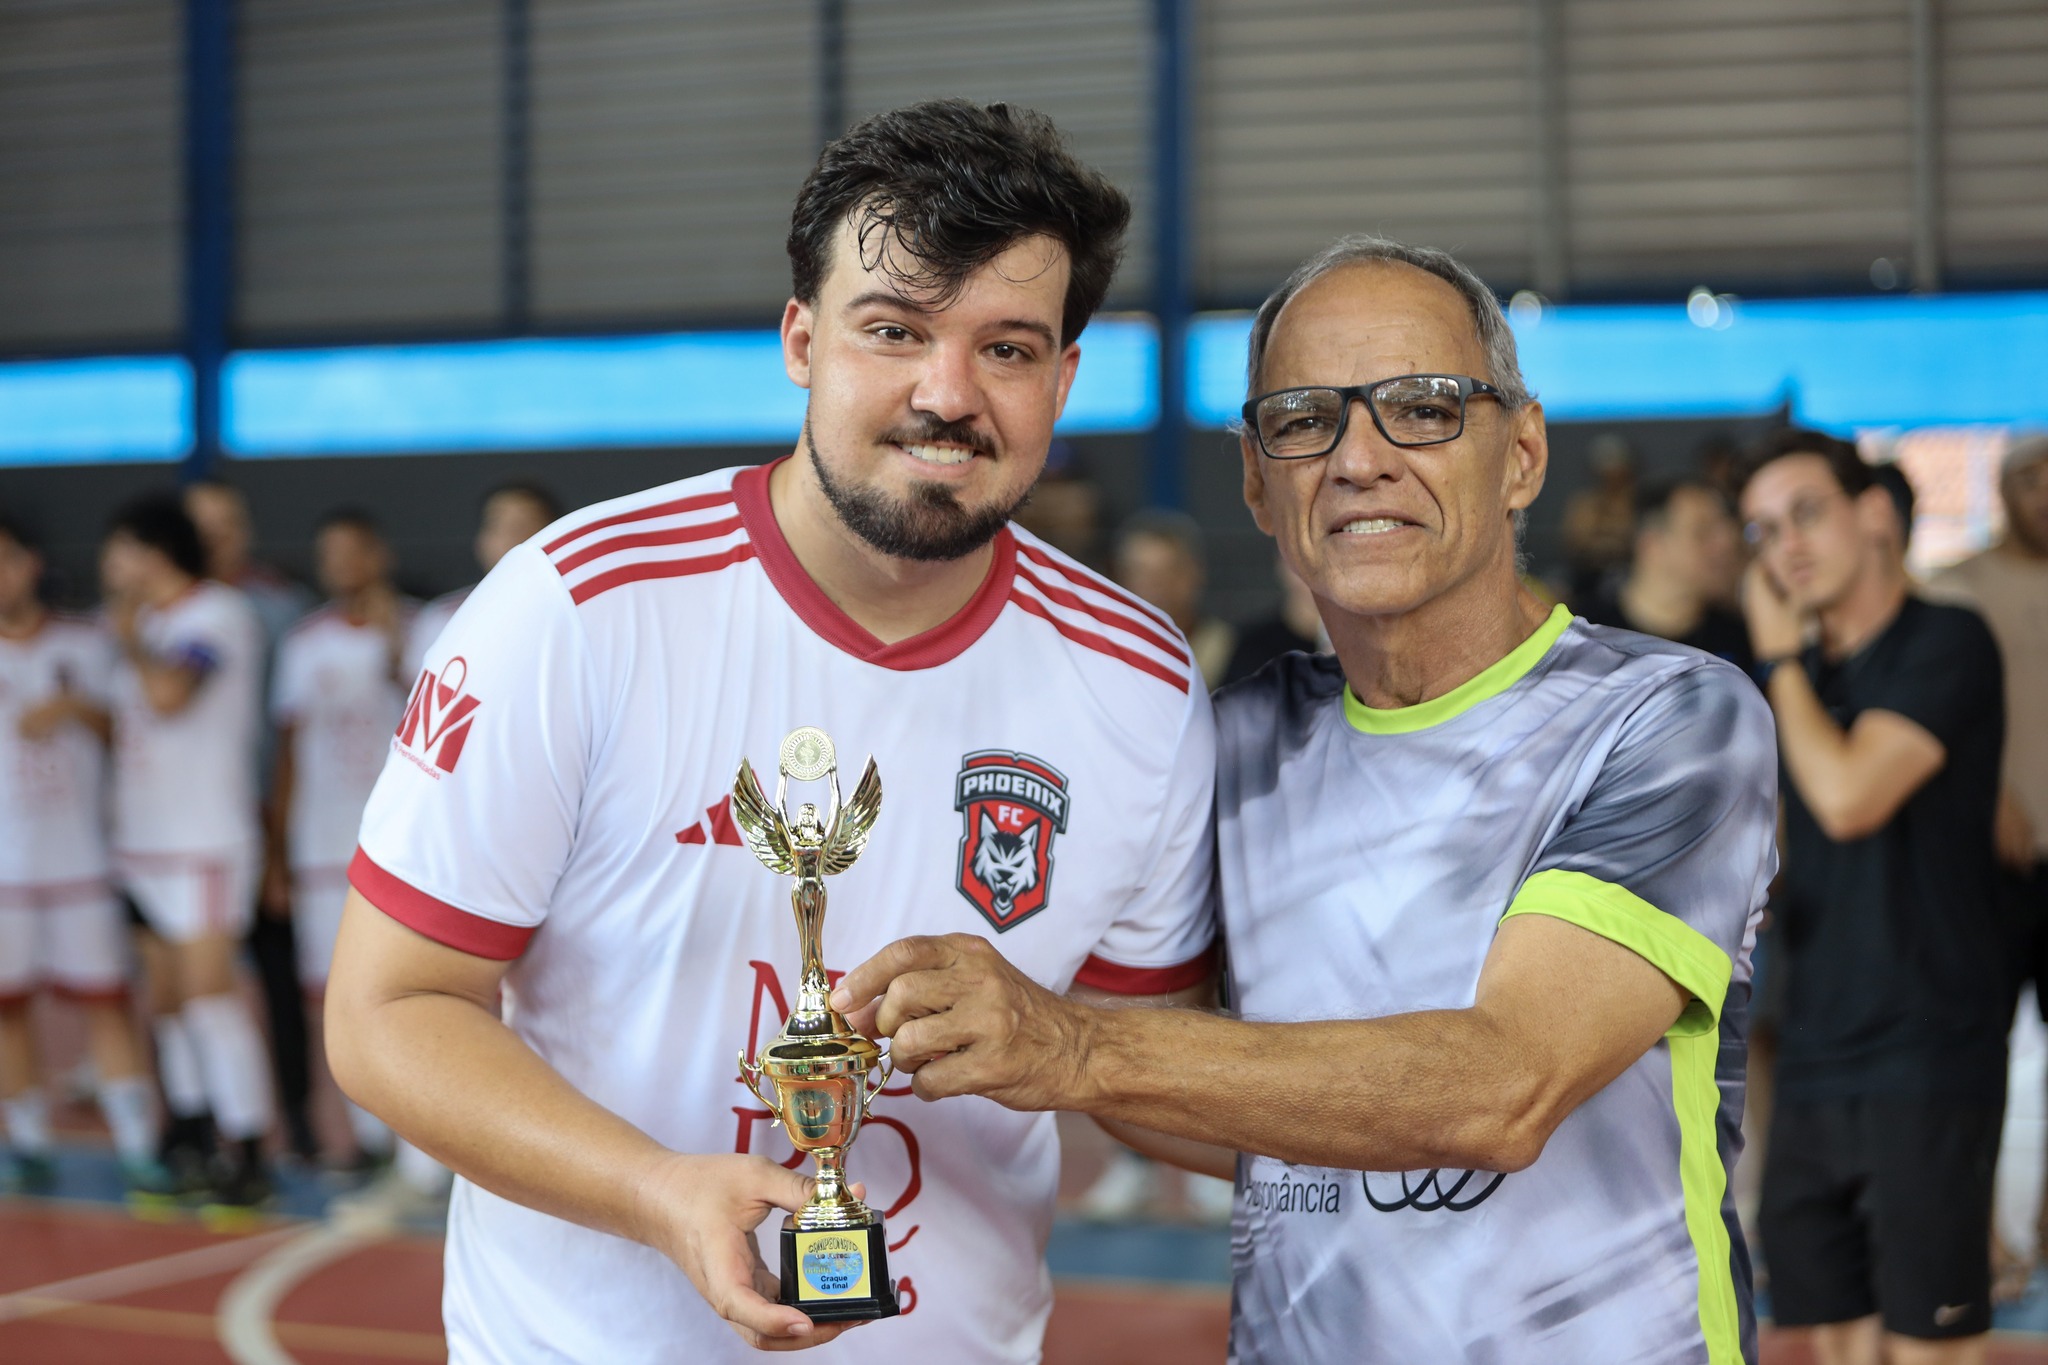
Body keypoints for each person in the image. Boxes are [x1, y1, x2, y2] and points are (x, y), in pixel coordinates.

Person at [326, 100, 1214, 1362]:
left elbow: (1156, 1074)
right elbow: (388, 1009)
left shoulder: (1138, 683)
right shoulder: (577, 609)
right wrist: (652, 1191)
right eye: (892, 330)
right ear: (802, 341)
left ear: (1062, 380)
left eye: (1006, 349)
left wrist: (1438, 1102)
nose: (946, 394)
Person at [833, 235, 1779, 1363]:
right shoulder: (1228, 744)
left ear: (1521, 454)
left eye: (1422, 409)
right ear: (1257, 483)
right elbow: (1179, 1089)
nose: (1358, 459)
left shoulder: (1669, 718)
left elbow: (1504, 1087)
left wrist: (1070, 1045)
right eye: (1303, 420)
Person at [1739, 428, 2007, 1365]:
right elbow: (1777, 847)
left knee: (1927, 1344)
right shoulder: (1804, 683)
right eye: (1763, 530)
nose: (1786, 546)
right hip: (1816, 1045)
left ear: (1876, 514)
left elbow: (1851, 797)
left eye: (1806, 513)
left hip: (1927, 1050)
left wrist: (1779, 663)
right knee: (1837, 1338)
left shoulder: (1946, 640)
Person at [103, 495, 274, 1205]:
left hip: (205, 838)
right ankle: (195, 1135)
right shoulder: (143, 622)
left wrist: (129, 639)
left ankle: (249, 1148)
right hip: (143, 840)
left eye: (120, 549)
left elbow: (171, 693)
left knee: (211, 1001)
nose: (110, 565)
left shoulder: (217, 614)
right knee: (169, 1005)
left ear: (153, 552)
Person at [0, 513, 161, 1191]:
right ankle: (29, 1144)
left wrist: (72, 709)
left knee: (106, 1003)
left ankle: (139, 1147)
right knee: (10, 1009)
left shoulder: (87, 642)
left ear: (30, 563)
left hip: (82, 862)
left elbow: (132, 727)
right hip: (7, 869)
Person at [1925, 434, 2048, 1271]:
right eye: (2030, 478)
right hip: (1989, 861)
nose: (2045, 492)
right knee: (1978, 1053)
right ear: (2003, 489)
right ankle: (1984, 1233)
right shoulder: (1956, 587)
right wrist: (1995, 792)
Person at [267, 509, 414, 1167]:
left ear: (379, 554)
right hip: (323, 846)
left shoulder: (423, 629)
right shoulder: (305, 642)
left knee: (405, 988)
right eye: (330, 553)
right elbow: (289, 751)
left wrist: (396, 653)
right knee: (330, 993)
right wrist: (277, 853)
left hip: (401, 847)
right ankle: (366, 1138)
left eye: (353, 550)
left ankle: (418, 1143)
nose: (341, 564)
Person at [185, 479, 318, 1159]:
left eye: (227, 523)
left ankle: (299, 1122)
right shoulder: (154, 616)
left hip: (260, 819)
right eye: (201, 525)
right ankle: (198, 1128)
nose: (216, 537)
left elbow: (290, 729)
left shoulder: (279, 608)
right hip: (184, 830)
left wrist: (277, 834)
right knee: (186, 991)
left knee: (279, 981)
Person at [1576, 479, 1753, 672]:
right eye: (1703, 532)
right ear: (1652, 545)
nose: (1726, 544)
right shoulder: (1586, 637)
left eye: (1727, 529)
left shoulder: (1740, 639)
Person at [405, 481, 560, 676]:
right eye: (498, 526)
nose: (511, 539)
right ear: (481, 540)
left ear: (556, 534)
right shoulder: (444, 617)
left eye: (523, 526)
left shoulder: (580, 609)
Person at [1113, 510, 1236, 689]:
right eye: (1142, 573)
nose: (1157, 584)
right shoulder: (1104, 651)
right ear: (1120, 577)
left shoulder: (1233, 649)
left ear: (1196, 573)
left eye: (1171, 571)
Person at [1221, 553, 1326, 688]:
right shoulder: (1253, 648)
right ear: (1282, 565)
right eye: (1303, 562)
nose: (1313, 576)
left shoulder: (1350, 646)